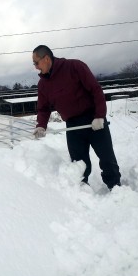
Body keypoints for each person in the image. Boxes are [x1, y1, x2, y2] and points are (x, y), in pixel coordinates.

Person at [32, 45, 121, 190]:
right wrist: (41, 125)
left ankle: (115, 187)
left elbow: (96, 90)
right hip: (73, 125)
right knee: (78, 163)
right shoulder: (43, 84)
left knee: (107, 158)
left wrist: (99, 116)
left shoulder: (74, 66)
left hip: (93, 120)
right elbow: (43, 108)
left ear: (46, 59)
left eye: (36, 62)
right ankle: (81, 192)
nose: (35, 67)